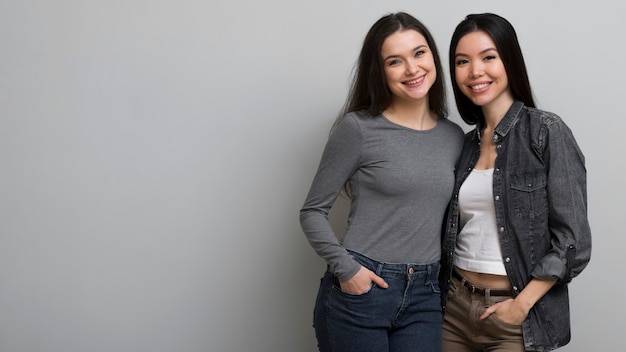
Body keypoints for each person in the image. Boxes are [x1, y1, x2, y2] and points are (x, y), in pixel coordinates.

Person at [299, 12, 464, 352]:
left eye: (419, 53)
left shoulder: (453, 137)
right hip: (363, 288)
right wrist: (348, 271)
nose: (412, 69)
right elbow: (312, 211)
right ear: (380, 71)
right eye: (395, 61)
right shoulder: (358, 129)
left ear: (433, 56)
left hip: (425, 293)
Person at [439, 13, 592, 352]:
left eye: (488, 57)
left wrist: (521, 305)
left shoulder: (546, 132)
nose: (475, 71)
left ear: (510, 60)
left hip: (514, 316)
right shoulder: (463, 145)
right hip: (453, 308)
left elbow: (573, 242)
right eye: (462, 61)